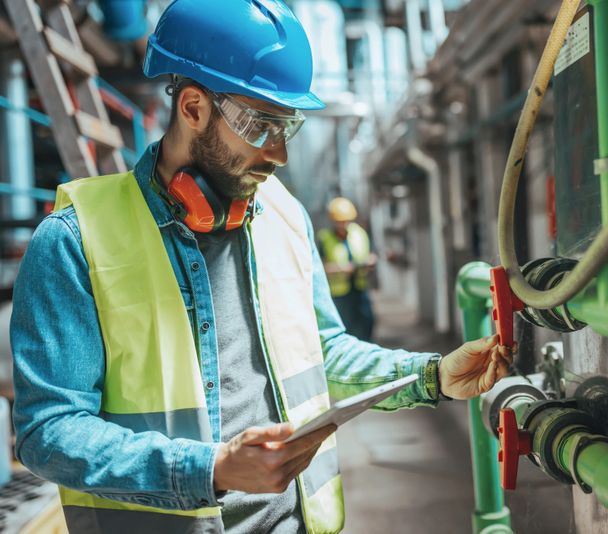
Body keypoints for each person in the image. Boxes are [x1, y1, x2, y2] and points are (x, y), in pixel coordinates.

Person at [9, 1, 513, 533]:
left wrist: (429, 376)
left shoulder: (285, 216)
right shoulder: (74, 241)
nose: (278, 154)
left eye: (287, 127)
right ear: (194, 107)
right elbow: (49, 432)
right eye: (259, 124)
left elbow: (323, 354)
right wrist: (211, 470)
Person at [318, 197, 376, 341]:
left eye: (346, 221)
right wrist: (341, 269)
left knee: (367, 323)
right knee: (346, 329)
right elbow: (319, 267)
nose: (343, 225)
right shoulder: (325, 238)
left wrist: (369, 262)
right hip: (340, 294)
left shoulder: (359, 234)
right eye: (339, 221)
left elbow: (371, 254)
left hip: (360, 288)